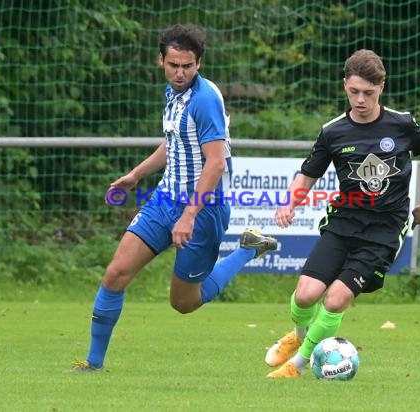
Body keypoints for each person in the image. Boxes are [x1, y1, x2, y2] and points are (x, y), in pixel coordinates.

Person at [72, 24, 277, 371]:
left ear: (199, 63)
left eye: (188, 66)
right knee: (115, 274)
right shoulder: (173, 94)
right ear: (161, 61)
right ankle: (92, 364)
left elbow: (214, 164)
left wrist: (189, 215)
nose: (180, 73)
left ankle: (247, 250)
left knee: (183, 303)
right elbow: (173, 144)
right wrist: (136, 175)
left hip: (203, 209)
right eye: (174, 65)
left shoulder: (206, 100)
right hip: (165, 200)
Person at [265, 49, 420, 378]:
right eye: (354, 91)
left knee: (334, 300)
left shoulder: (401, 125)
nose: (360, 100)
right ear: (345, 85)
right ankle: (299, 338)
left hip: (384, 230)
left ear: (381, 88)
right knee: (305, 296)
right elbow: (308, 173)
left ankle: (299, 365)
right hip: (343, 221)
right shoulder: (333, 131)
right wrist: (290, 202)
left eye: (368, 93)